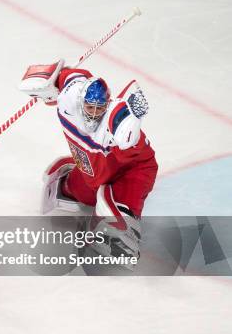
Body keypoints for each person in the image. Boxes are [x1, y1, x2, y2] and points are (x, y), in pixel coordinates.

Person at [19, 59, 158, 260]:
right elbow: (67, 75)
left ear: (107, 105)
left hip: (129, 169)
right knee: (76, 190)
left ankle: (117, 235)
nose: (94, 113)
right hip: (94, 170)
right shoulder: (69, 96)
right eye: (90, 107)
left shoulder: (117, 127)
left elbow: (139, 157)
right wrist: (49, 82)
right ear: (81, 101)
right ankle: (67, 180)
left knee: (119, 219)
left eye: (99, 108)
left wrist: (129, 135)